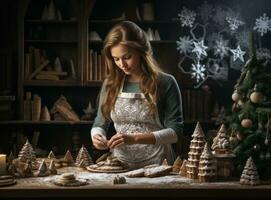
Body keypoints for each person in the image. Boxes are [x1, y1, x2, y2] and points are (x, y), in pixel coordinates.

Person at [91, 21, 183, 169]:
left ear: (141, 51)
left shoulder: (165, 82)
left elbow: (175, 132)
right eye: (116, 59)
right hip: (119, 164)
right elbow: (100, 122)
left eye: (127, 57)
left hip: (158, 162)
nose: (122, 64)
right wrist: (96, 136)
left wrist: (134, 138)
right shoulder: (110, 84)